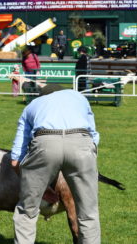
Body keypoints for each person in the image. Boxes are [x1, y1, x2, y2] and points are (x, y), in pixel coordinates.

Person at [11, 86, 100, 244]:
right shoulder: (80, 97)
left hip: (45, 143)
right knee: (88, 213)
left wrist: (31, 184)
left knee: (27, 212)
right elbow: (93, 134)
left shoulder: (31, 105)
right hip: (81, 143)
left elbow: (16, 158)